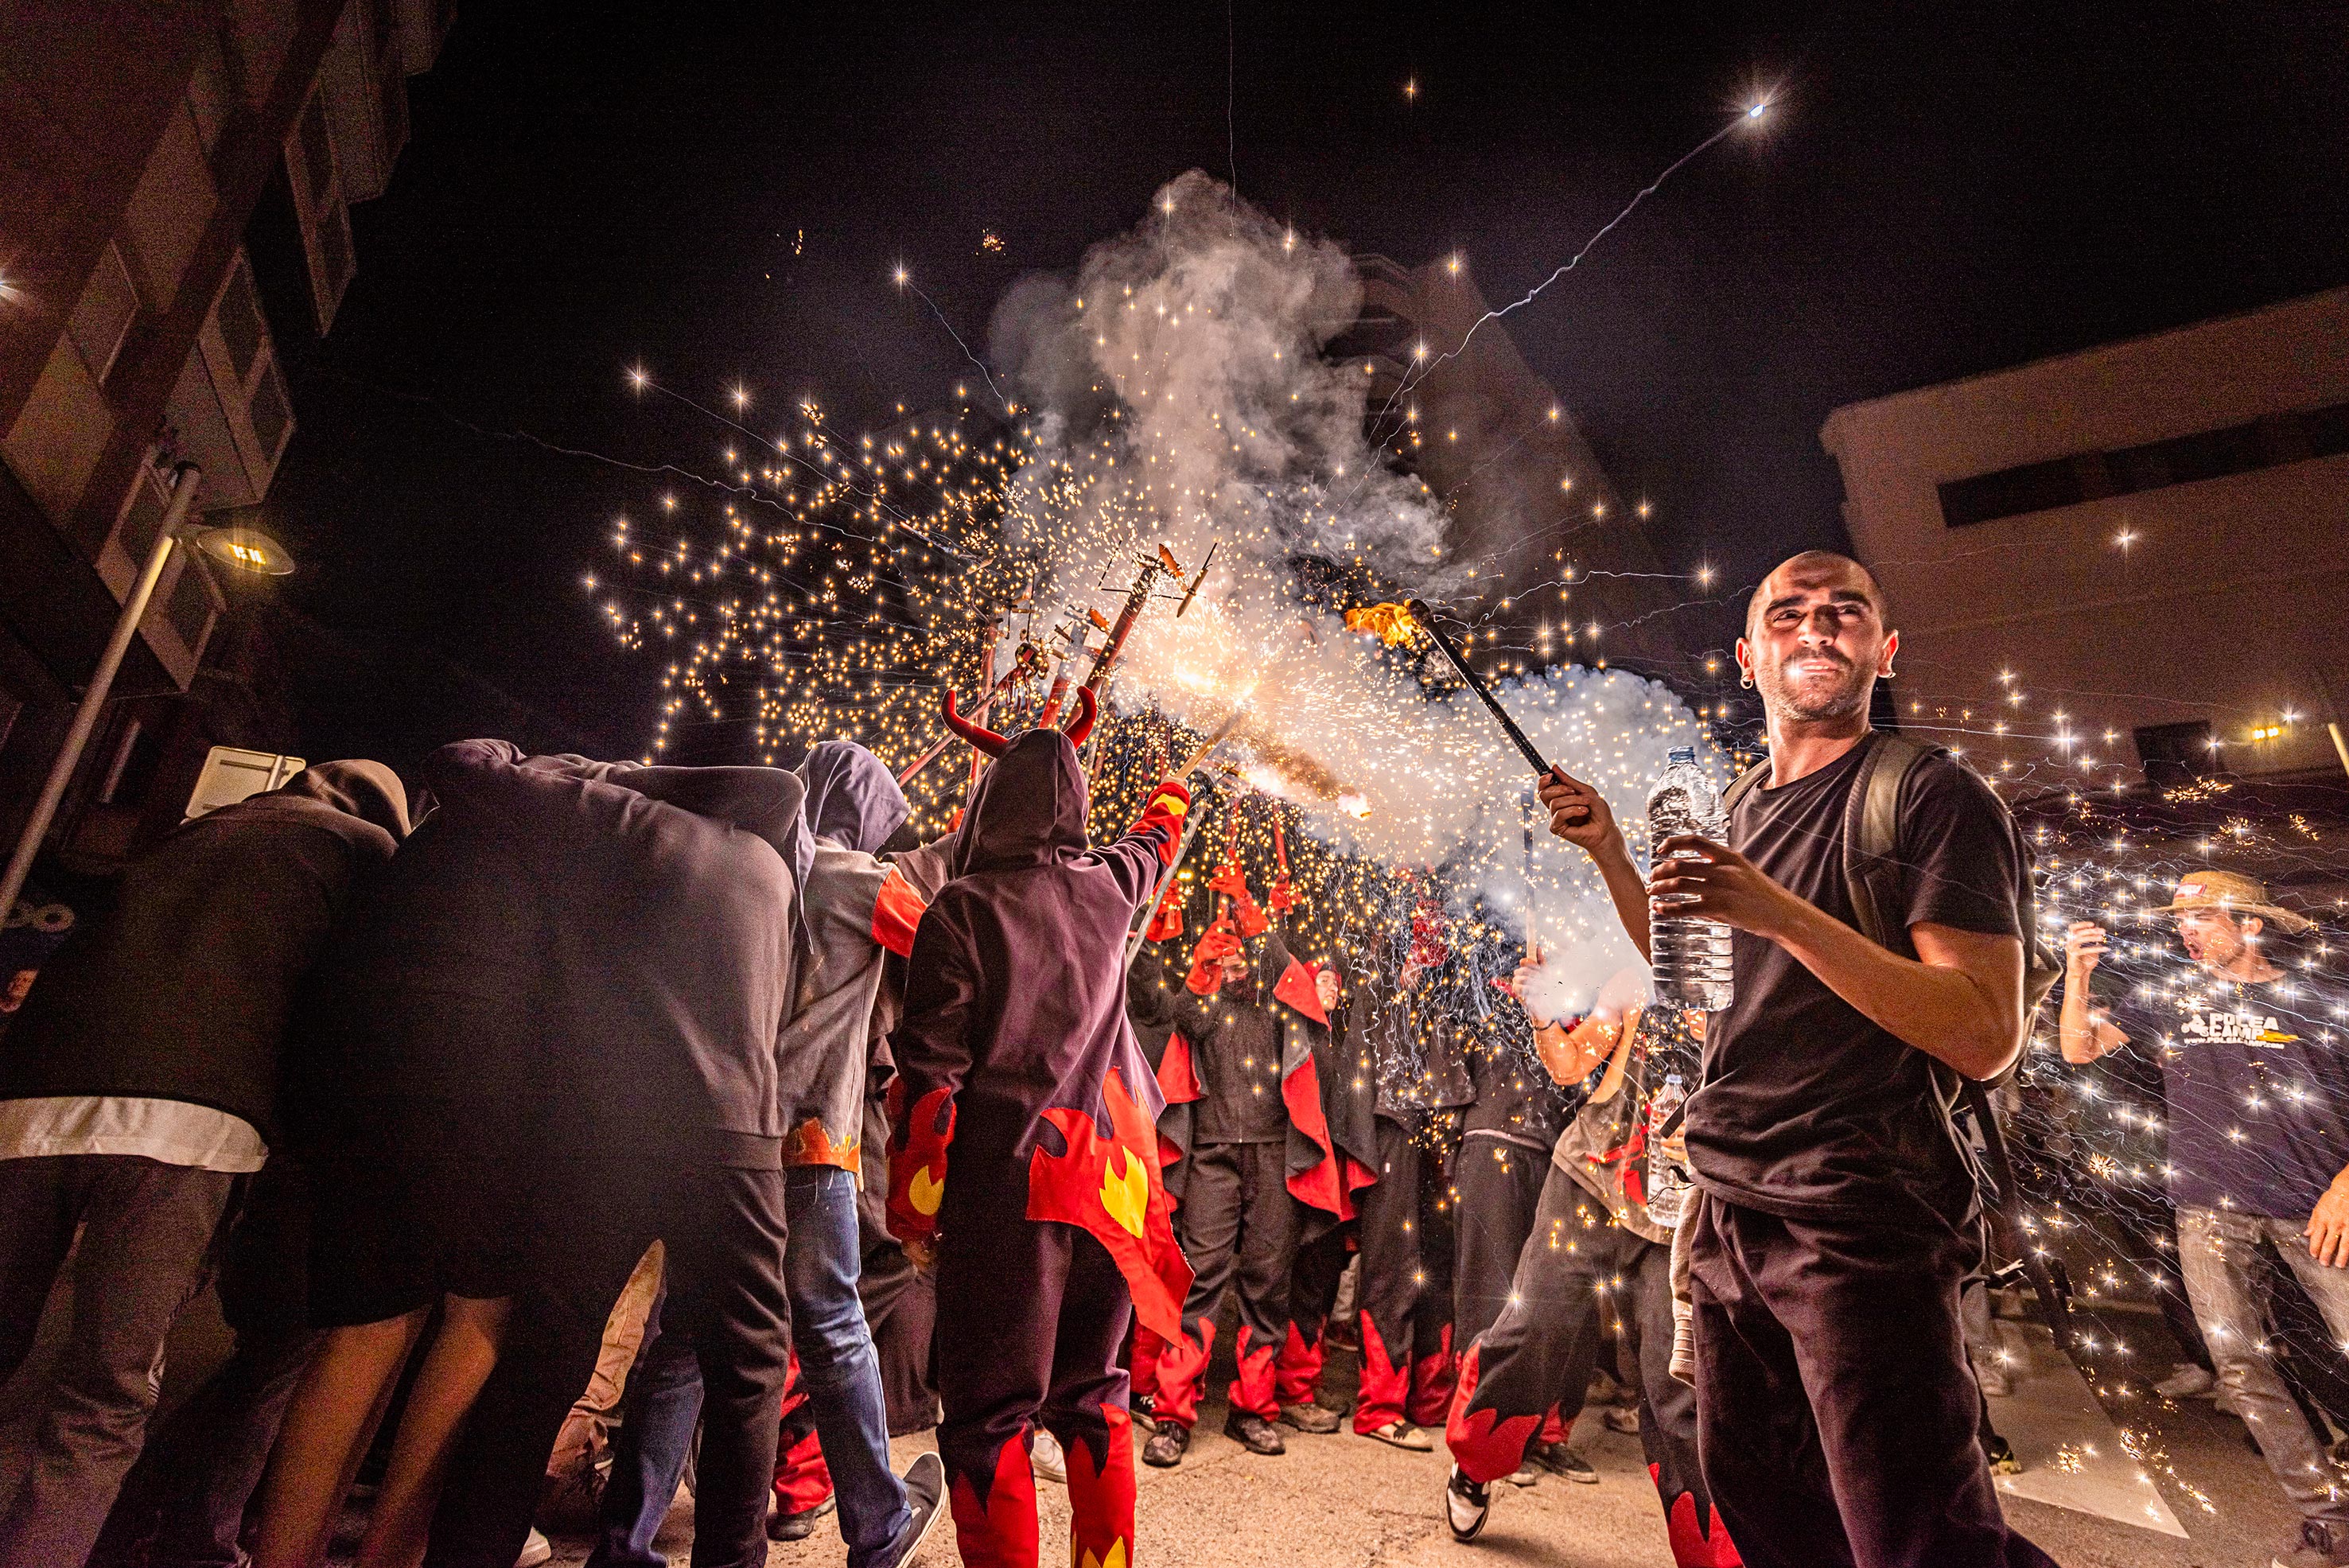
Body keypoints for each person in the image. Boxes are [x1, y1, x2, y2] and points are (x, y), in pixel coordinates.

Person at [1539, 549, 2055, 1568]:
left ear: (1884, 648)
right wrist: (1608, 850)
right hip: (1732, 1207)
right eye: (1789, 614)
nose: (1815, 627)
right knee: (1766, 1510)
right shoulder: (1734, 806)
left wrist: (1774, 909)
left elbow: (1984, 1034)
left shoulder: (1930, 798)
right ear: (1746, 655)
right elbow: (1697, 978)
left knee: (1914, 1533)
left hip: (1862, 1214)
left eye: (1844, 611)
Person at [371, 741, 812, 1568]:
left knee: (548, 1349)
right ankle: (730, 1560)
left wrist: (586, 771)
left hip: (611, 1124)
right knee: (747, 1365)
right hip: (740, 1137)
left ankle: (468, 1552)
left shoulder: (628, 821)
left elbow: (460, 765)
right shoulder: (772, 871)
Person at [0, 761, 408, 1568]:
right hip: (191, 1123)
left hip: (28, 1099)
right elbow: (347, 1016)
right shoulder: (365, 855)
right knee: (101, 1399)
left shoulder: (200, 833)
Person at [587, 739, 944, 1568]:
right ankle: (877, 1522)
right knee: (833, 1326)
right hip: (815, 1137)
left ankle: (623, 1539)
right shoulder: (863, 881)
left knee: (683, 1337)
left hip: (721, 1139)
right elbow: (947, 948)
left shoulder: (753, 863)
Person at [887, 690, 1194, 1568]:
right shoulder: (1108, 888)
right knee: (1095, 1400)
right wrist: (1174, 781)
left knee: (989, 1418)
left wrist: (916, 1215)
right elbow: (1157, 838)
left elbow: (931, 1084)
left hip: (1009, 1193)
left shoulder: (963, 908)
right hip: (1110, 1192)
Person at [2063, 870, 2349, 1568]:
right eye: (2178, 923)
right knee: (2240, 1367)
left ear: (2249, 923)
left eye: (2200, 921)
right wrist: (2076, 974)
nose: (2184, 933)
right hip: (2207, 1209)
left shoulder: (2317, 997)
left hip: (2318, 1207)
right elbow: (2077, 1048)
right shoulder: (2164, 997)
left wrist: (2347, 1180)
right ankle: (2328, 1521)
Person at [1443, 962, 1739, 1566]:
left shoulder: (1750, 999)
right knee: (1530, 1333)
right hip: (1590, 1183)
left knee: (1678, 1384)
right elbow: (1571, 1063)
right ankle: (1475, 1463)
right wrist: (1543, 1014)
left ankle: (1715, 1554)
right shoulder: (1641, 977)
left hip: (1673, 1218)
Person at [1143, 923, 1328, 1466]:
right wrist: (1207, 967)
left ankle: (1252, 1410)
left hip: (1274, 1157)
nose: (1238, 962)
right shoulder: (1205, 1001)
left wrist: (1261, 931)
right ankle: (1172, 1416)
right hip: (1211, 1157)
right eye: (1227, 954)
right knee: (1198, 1280)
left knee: (1268, 1284)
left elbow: (1295, 986)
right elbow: (1187, 1014)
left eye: (1243, 952)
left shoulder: (1281, 998)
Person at [1448, 941, 1585, 1484]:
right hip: (1493, 1139)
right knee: (1490, 1292)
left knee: (1561, 1301)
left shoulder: (1590, 988)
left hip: (1561, 1154)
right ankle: (1487, 1435)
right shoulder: (1485, 974)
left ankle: (1546, 1432)